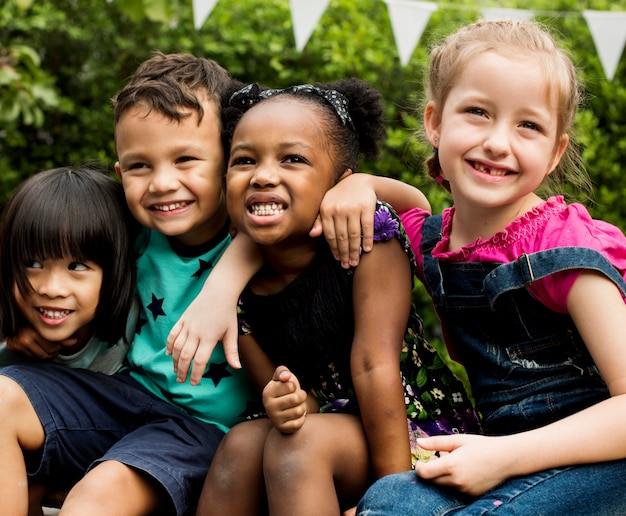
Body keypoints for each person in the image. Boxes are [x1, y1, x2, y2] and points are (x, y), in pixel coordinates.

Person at [315, 19, 626, 514]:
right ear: (435, 122)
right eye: (478, 112)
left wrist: (506, 456)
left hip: (604, 462)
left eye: (528, 125)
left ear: (555, 152)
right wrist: (360, 184)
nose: (499, 142)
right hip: (505, 458)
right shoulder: (435, 242)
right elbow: (410, 206)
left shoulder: (564, 250)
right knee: (389, 499)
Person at [191, 78, 479, 516]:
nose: (264, 174)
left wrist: (395, 499)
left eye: (293, 159)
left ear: (338, 185)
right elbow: (289, 394)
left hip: (406, 429)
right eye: (244, 160)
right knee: (240, 445)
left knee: (297, 449)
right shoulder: (234, 288)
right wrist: (282, 400)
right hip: (328, 423)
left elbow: (373, 363)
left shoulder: (365, 236)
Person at [0, 52, 258, 516]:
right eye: (139, 166)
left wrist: (353, 188)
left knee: (96, 498)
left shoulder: (259, 227)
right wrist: (24, 329)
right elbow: (54, 264)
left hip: (199, 430)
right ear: (120, 176)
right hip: (122, 398)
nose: (162, 182)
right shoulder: (133, 228)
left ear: (230, 162)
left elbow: (393, 199)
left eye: (185, 159)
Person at [0, 166, 136, 374]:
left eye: (77, 266)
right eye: (33, 264)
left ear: (117, 269)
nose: (52, 289)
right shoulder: (12, 347)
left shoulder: (146, 319)